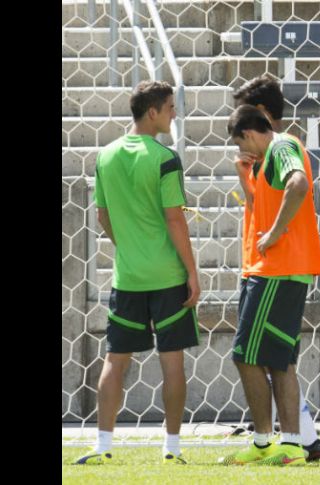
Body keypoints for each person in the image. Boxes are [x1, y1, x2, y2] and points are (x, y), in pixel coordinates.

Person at [75, 80, 201, 465]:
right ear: (152, 112)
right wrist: (192, 272)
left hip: (127, 277)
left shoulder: (105, 155)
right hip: (167, 277)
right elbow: (175, 219)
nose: (174, 114)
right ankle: (172, 448)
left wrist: (127, 246)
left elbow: (102, 214)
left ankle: (103, 445)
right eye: (170, 107)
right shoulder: (164, 158)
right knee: (172, 361)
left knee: (115, 360)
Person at [218, 105, 320, 466]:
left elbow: (299, 183)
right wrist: (244, 176)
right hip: (274, 270)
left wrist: (277, 232)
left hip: (277, 271)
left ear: (249, 134)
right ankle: (290, 445)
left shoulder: (281, 147)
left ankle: (266, 441)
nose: (242, 151)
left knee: (245, 356)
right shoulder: (266, 161)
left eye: (241, 144)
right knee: (279, 361)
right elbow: (259, 208)